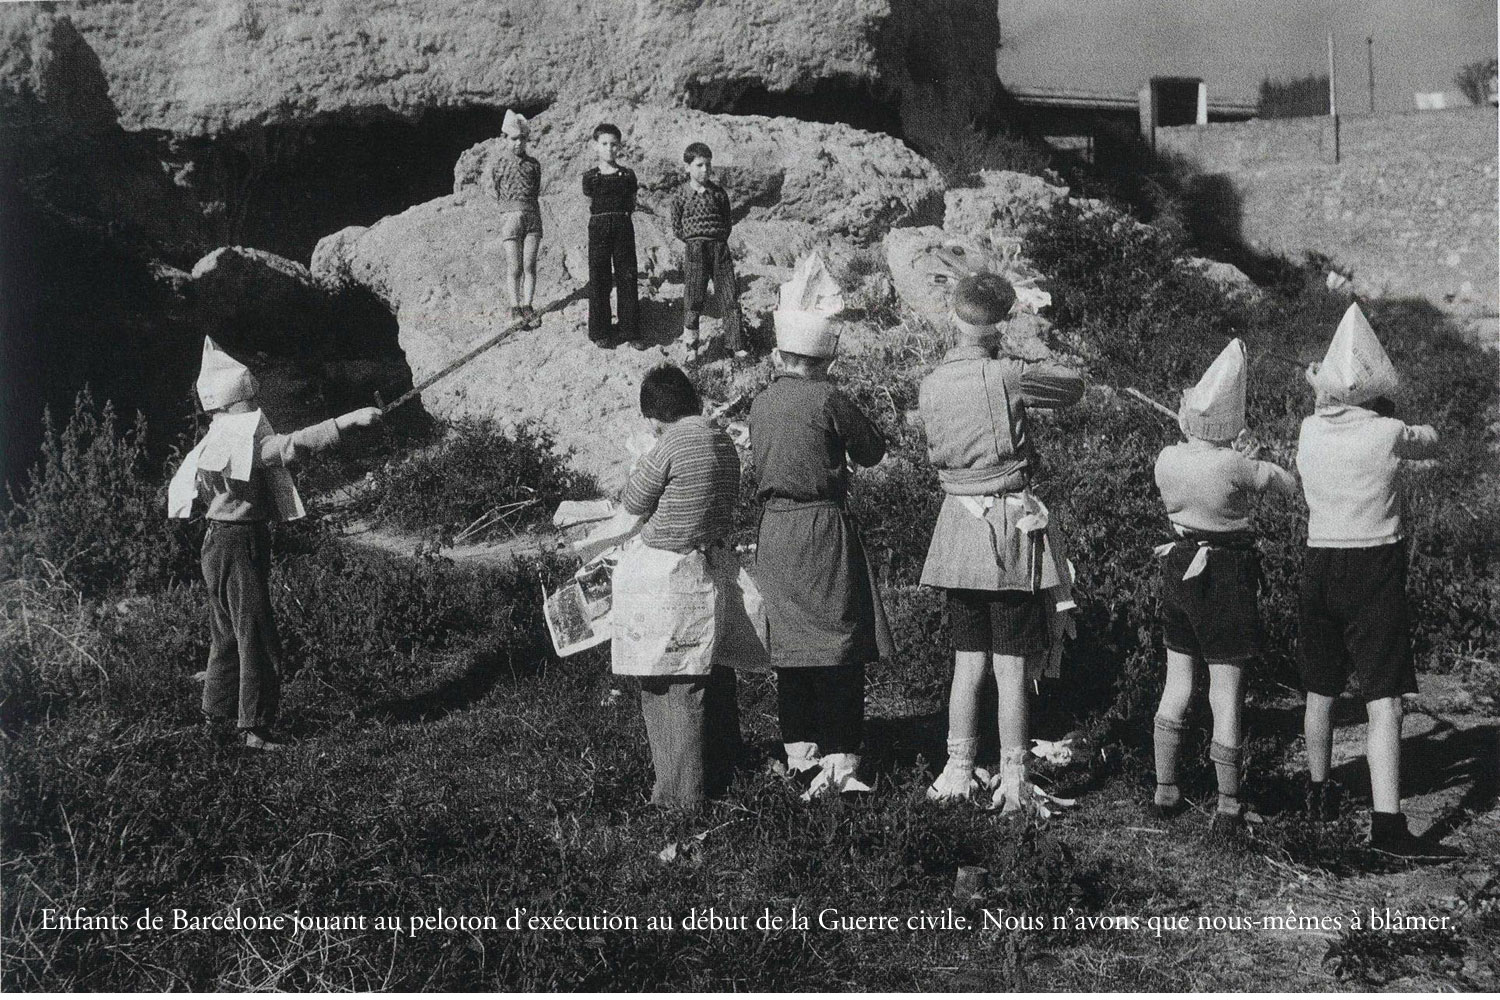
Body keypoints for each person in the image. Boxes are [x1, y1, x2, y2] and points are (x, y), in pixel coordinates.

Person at [918, 272, 1083, 814]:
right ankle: (1014, 777)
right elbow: (1071, 388)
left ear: (954, 318)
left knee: (968, 664)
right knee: (1012, 666)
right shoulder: (1008, 376)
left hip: (956, 529)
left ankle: (959, 769)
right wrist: (1014, 351)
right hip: (1008, 530)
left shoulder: (932, 381)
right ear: (1000, 324)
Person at [167, 338, 381, 750]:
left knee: (227, 632)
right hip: (240, 542)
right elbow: (291, 445)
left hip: (215, 542)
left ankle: (216, 710)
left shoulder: (211, 441)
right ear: (234, 408)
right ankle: (254, 729)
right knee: (257, 637)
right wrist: (349, 421)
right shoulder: (242, 441)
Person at [1296, 303, 1452, 857]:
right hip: (1373, 568)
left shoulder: (1308, 431)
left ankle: (1318, 793)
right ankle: (1388, 826)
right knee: (1383, 700)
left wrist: (1323, 385)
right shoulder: (1389, 432)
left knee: (1320, 689)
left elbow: (1326, 406)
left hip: (1320, 564)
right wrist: (1393, 414)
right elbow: (1429, 440)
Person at [748, 253, 891, 799]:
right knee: (838, 643)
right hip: (822, 528)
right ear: (825, 355)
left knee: (791, 648)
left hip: (775, 531)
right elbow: (872, 451)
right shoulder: (829, 397)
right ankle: (842, 755)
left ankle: (799, 753)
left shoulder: (762, 402)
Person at [1149, 339, 1297, 837]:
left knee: (1178, 683)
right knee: (1225, 691)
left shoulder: (1167, 459)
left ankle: (1165, 788)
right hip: (1226, 574)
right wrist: (1255, 455)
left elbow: (1193, 444)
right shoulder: (1235, 465)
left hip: (1180, 565)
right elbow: (1283, 483)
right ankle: (1229, 800)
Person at [611, 365, 745, 808]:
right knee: (706, 675)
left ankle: (677, 796)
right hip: (711, 568)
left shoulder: (669, 442)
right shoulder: (723, 440)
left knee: (665, 685)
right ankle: (719, 772)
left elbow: (633, 502)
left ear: (652, 417)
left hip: (667, 576)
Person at [668, 142, 742, 360]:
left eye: (708, 165)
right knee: (693, 299)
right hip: (695, 251)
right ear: (687, 167)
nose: (705, 170)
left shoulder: (718, 194)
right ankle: (691, 348)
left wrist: (716, 239)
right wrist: (695, 241)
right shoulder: (681, 195)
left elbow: (727, 223)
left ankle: (735, 345)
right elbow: (677, 227)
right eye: (699, 165)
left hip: (720, 249)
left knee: (730, 297)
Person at [582, 123, 642, 348]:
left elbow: (632, 203)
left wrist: (618, 218)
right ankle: (600, 331)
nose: (609, 149)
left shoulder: (627, 175)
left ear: (620, 147)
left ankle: (631, 329)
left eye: (614, 144)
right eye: (604, 144)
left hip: (623, 225)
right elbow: (590, 204)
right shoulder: (590, 177)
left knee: (627, 275)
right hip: (598, 227)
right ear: (595, 146)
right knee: (599, 277)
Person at [490, 109, 543, 330]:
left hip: (532, 218)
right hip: (510, 218)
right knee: (514, 267)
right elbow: (496, 190)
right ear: (505, 139)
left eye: (522, 138)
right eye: (513, 138)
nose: (518, 143)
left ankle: (528, 305)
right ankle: (514, 307)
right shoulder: (499, 164)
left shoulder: (534, 164)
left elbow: (536, 188)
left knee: (530, 265)